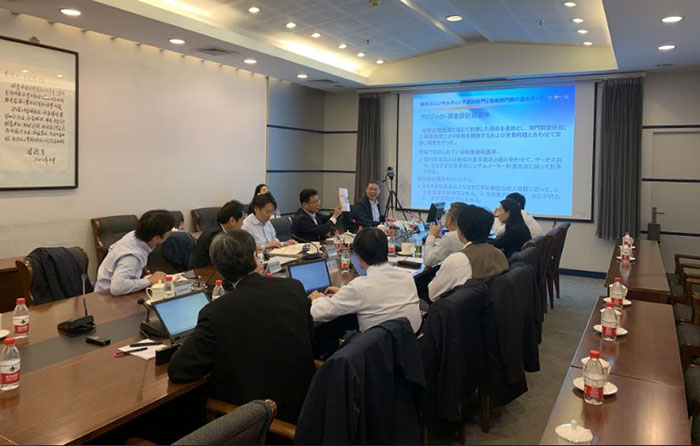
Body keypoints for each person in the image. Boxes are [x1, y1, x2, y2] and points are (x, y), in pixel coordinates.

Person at [168, 230, 316, 424]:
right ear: (255, 257)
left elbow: (179, 370)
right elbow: (309, 336)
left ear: (219, 270)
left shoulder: (216, 312)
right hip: (309, 405)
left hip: (258, 421)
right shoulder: (293, 287)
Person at [309, 228, 422, 333]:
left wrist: (318, 299)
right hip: (412, 340)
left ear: (359, 257)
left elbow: (317, 314)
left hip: (380, 346)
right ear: (386, 250)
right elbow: (380, 296)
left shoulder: (358, 287)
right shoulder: (406, 277)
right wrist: (343, 293)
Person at [428, 205, 509, 301]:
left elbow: (432, 294)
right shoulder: (499, 254)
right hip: (492, 306)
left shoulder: (457, 260)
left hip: (462, 309)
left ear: (460, 229)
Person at [95, 210, 175, 296]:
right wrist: (149, 281)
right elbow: (117, 288)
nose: (171, 232)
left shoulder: (134, 235)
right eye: (169, 230)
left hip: (118, 290)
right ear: (156, 238)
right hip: (107, 297)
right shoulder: (132, 257)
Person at [189, 200, 245, 269]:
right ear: (232, 221)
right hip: (203, 271)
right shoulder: (215, 235)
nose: (243, 223)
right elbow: (224, 261)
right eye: (242, 219)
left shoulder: (219, 229)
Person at [423, 202, 467, 267]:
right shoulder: (466, 233)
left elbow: (428, 261)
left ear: (449, 219)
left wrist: (431, 236)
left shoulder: (450, 238)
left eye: (446, 214)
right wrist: (442, 238)